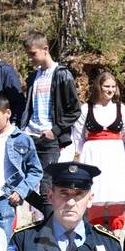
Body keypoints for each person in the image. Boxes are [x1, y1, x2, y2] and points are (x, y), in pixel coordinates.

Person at [67, 69, 125, 232]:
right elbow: (78, 135)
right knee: (95, 190)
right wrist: (81, 154)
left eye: (113, 86)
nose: (110, 90)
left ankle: (116, 232)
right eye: (106, 86)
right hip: (93, 155)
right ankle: (94, 230)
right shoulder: (87, 108)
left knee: (115, 191)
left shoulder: (120, 108)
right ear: (99, 86)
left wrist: (119, 149)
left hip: (115, 155)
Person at [0, 94, 43, 239]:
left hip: (4, 199)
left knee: (2, 243)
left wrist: (20, 191)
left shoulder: (23, 140)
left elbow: (36, 171)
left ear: (8, 113)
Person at [22, 31, 82, 174]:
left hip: (49, 139)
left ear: (45, 49)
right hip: (29, 135)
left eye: (33, 54)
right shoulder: (33, 77)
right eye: (27, 54)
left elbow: (75, 110)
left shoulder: (62, 74)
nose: (29, 58)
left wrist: (55, 131)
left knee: (46, 182)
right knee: (27, 182)